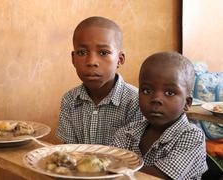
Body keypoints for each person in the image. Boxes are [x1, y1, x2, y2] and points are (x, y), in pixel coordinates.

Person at [112, 52, 208, 179]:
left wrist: (116, 170)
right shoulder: (127, 133)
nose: (156, 99)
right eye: (147, 90)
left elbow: (162, 177)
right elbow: (111, 166)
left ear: (187, 103)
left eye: (169, 92)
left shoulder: (192, 136)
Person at [56, 16, 143, 145]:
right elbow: (69, 151)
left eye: (103, 53)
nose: (91, 62)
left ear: (120, 59)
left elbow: (132, 157)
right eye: (82, 53)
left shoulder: (136, 101)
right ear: (73, 59)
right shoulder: (69, 100)